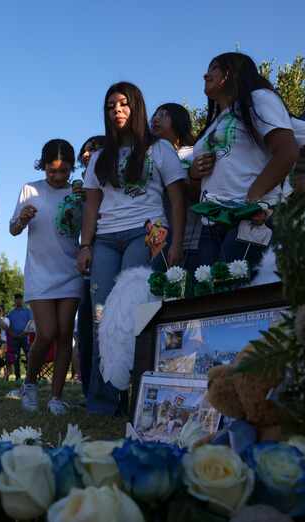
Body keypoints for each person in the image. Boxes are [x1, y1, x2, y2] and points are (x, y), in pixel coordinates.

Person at [78, 82, 187, 416]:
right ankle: (103, 403)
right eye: (111, 106)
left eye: (123, 104)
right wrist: (85, 245)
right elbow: (91, 206)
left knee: (136, 314)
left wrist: (177, 243)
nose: (117, 111)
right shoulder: (99, 156)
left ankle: (141, 399)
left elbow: (177, 198)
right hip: (106, 239)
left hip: (147, 234)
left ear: (136, 107)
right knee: (102, 320)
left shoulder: (161, 150)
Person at [186, 52, 299, 272]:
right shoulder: (214, 122)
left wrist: (253, 199)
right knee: (212, 298)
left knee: (234, 293)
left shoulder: (259, 99)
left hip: (249, 217)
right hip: (211, 224)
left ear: (230, 73)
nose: (205, 75)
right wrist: (193, 173)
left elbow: (287, 151)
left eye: (213, 68)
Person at [10, 139, 82, 415]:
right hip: (40, 271)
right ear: (43, 166)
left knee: (65, 334)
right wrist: (23, 219)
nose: (57, 176)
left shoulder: (78, 193)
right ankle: (29, 384)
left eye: (64, 171)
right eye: (52, 171)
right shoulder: (30, 190)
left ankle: (56, 397)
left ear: (71, 169)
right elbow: (14, 229)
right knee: (47, 332)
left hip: (70, 270)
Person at [150, 103, 201, 269]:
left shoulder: (193, 152)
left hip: (192, 238)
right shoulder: (148, 156)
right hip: (157, 239)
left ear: (178, 120)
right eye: (155, 115)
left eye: (164, 115)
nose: (156, 119)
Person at [74, 136, 104, 399]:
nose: (87, 153)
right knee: (85, 329)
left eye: (94, 149)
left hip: (106, 256)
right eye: (85, 149)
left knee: (104, 323)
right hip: (84, 264)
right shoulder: (76, 189)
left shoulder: (113, 182)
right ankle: (89, 390)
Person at [5, 293, 31, 381]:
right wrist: (13, 334)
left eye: (20, 299)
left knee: (29, 356)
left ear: (22, 300)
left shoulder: (27, 311)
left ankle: (30, 376)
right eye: (16, 299)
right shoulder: (11, 313)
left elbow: (30, 323)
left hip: (25, 337)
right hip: (14, 338)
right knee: (16, 358)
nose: (18, 300)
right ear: (14, 300)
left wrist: (23, 333)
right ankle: (17, 377)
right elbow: (8, 327)